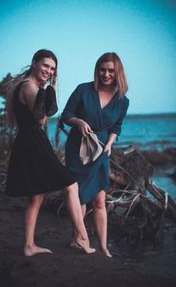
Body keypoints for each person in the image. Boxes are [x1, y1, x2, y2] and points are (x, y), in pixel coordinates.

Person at [5, 49, 95, 256]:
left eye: (52, 68)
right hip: (33, 142)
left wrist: (46, 90)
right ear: (34, 63)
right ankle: (82, 238)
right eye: (45, 65)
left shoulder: (31, 86)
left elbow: (41, 115)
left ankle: (29, 245)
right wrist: (50, 90)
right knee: (71, 185)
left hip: (30, 141)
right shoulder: (29, 86)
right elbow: (42, 119)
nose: (49, 70)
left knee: (37, 196)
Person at [61, 52, 129, 257]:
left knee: (100, 199)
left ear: (118, 73)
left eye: (110, 70)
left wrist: (109, 143)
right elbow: (66, 115)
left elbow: (117, 127)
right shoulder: (83, 89)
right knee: (78, 197)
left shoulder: (122, 101)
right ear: (97, 70)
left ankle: (103, 247)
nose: (106, 74)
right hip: (78, 149)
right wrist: (79, 122)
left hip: (101, 151)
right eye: (103, 69)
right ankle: (80, 239)